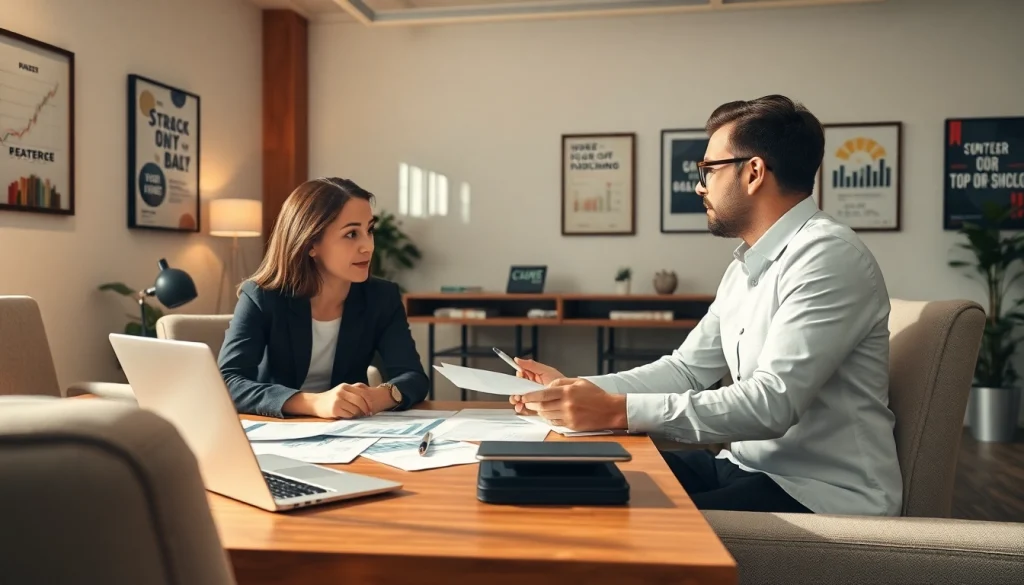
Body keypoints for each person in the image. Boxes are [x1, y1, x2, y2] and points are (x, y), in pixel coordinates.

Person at [510, 95, 902, 516]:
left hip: (817, 493)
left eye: (708, 170)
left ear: (753, 173)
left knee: (612, 517)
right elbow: (686, 370)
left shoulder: (828, 256)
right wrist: (575, 389)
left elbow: (772, 404)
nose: (700, 185)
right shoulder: (746, 265)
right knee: (561, 480)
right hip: (744, 466)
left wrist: (616, 410)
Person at [219, 177, 429, 419]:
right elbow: (228, 382)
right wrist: (313, 403)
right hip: (279, 430)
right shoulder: (262, 296)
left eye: (369, 230)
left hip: (350, 432)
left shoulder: (382, 297)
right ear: (311, 244)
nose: (368, 246)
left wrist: (377, 396)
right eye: (351, 234)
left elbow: (414, 378)